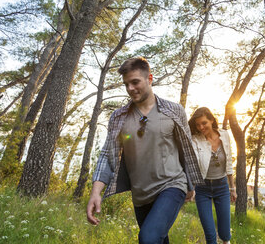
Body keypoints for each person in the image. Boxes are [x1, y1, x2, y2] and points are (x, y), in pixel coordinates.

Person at [86, 57, 204, 244]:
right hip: (140, 195)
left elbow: (186, 150)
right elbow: (108, 155)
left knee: (148, 239)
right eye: (126, 84)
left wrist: (190, 186)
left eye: (135, 82)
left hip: (172, 185)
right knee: (158, 239)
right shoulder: (119, 117)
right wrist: (95, 193)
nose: (130, 88)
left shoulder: (174, 111)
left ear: (149, 78)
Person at [188, 107, 237, 244]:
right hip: (202, 189)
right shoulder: (195, 140)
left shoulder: (225, 135)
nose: (201, 127)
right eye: (197, 125)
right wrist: (191, 187)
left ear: (211, 120)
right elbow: (194, 162)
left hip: (221, 186)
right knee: (210, 234)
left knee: (225, 233)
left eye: (204, 123)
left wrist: (232, 188)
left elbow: (229, 162)